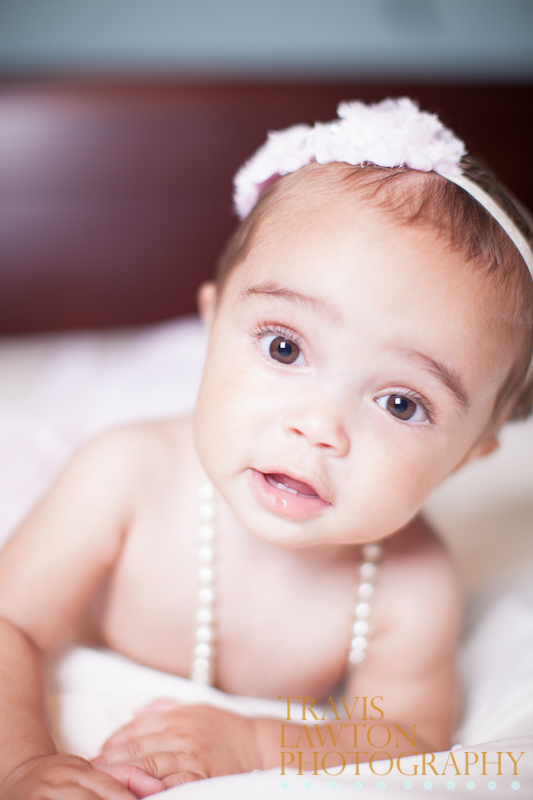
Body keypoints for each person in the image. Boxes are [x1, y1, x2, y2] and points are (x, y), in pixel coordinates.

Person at [0, 98, 532, 800]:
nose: (317, 426)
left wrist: (253, 741)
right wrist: (21, 764)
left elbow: (407, 734)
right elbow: (10, 624)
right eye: (284, 347)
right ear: (213, 323)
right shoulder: (123, 476)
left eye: (400, 403)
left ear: (465, 457)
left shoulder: (410, 582)